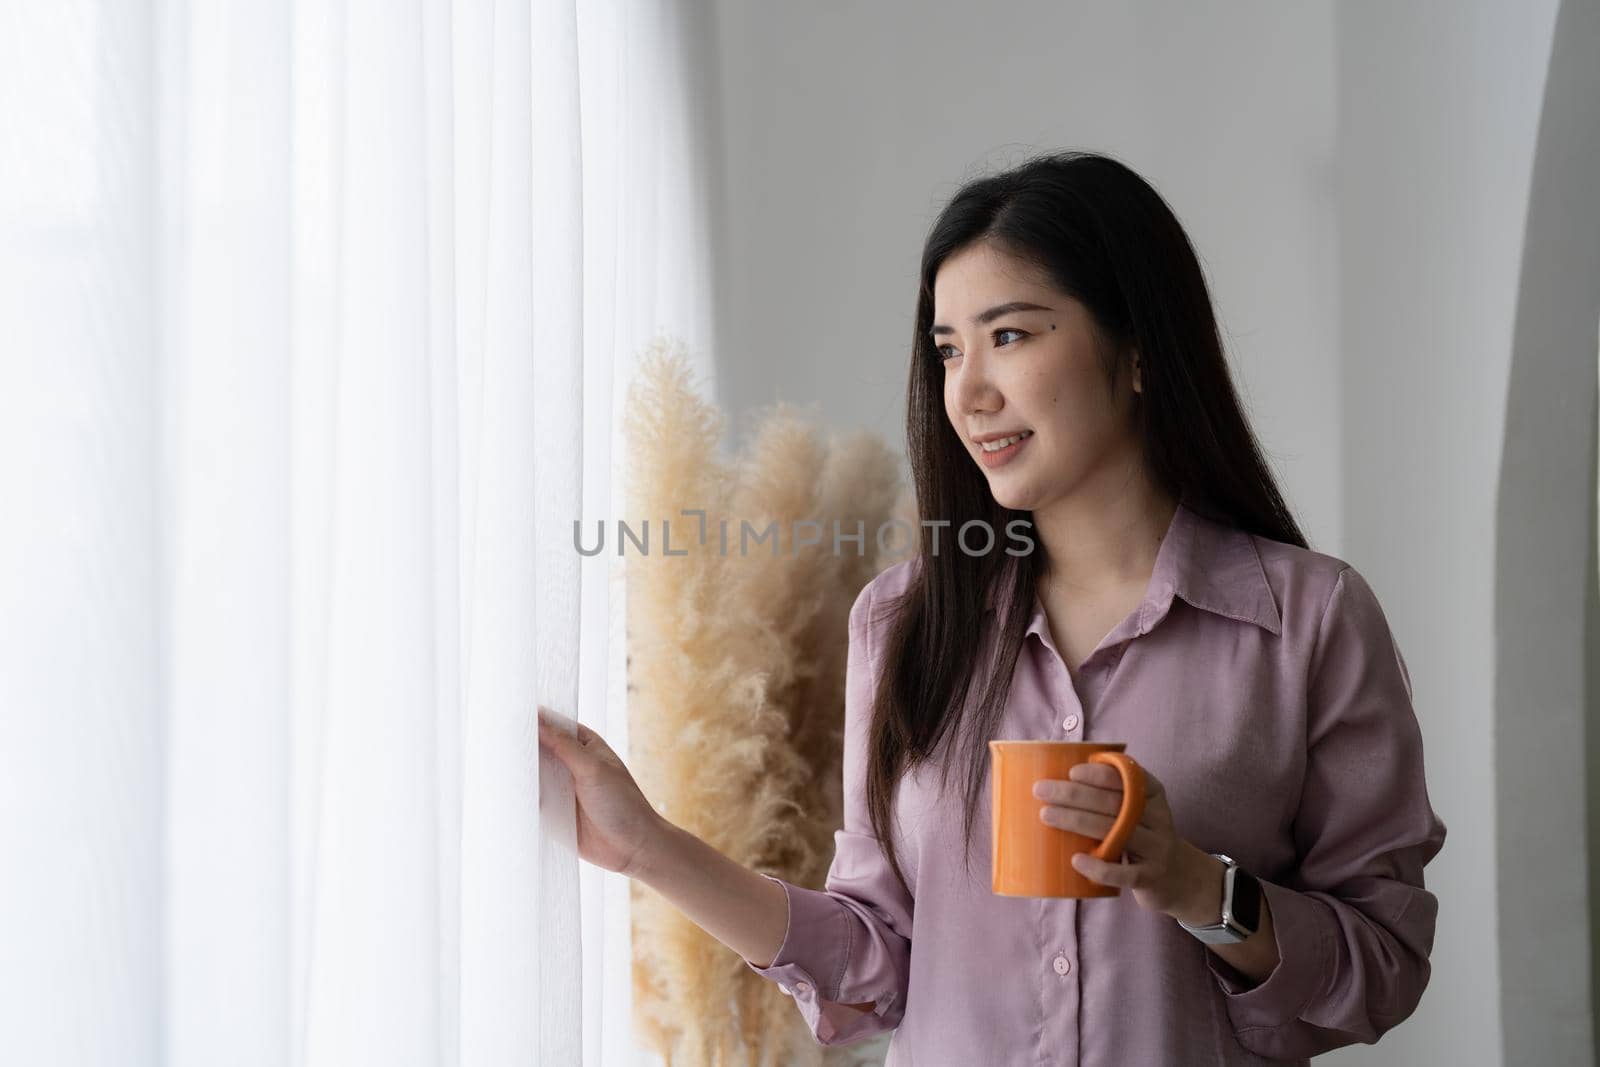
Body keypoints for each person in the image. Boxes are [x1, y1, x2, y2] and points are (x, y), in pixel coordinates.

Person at [537, 149, 1447, 1065]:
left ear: (1137, 351)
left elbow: (1386, 961)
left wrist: (1193, 883)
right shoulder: (900, 626)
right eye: (948, 349)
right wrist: (647, 848)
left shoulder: (1308, 621)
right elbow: (878, 956)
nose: (968, 393)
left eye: (1010, 335)